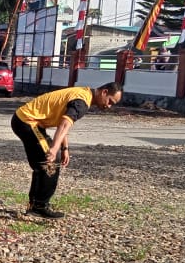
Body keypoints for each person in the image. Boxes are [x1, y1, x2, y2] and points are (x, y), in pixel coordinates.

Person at [11, 82, 123, 219]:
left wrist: (64, 148)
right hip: (27, 121)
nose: (109, 106)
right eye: (110, 101)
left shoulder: (83, 93)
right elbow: (64, 124)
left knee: (42, 164)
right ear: (104, 92)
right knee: (51, 163)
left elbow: (63, 123)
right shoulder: (82, 101)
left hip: (27, 120)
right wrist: (54, 148)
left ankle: (35, 205)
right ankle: (39, 206)